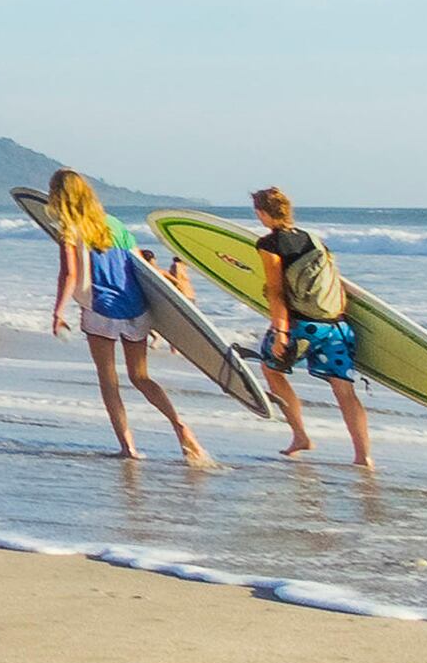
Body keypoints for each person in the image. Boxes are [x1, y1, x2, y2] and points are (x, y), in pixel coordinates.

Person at [44, 168, 212, 465]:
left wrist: (58, 311)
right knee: (141, 377)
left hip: (101, 310)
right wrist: (172, 285)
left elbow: (69, 274)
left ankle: (128, 447)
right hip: (135, 308)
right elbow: (140, 267)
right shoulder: (115, 225)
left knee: (109, 381)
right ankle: (180, 427)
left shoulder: (69, 230)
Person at [243, 185, 375, 470]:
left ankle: (300, 435)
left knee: (271, 370)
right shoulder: (315, 240)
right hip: (336, 327)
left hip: (302, 327)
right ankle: (363, 456)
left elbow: (277, 292)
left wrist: (280, 333)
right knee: (344, 389)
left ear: (262, 213)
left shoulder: (269, 244)